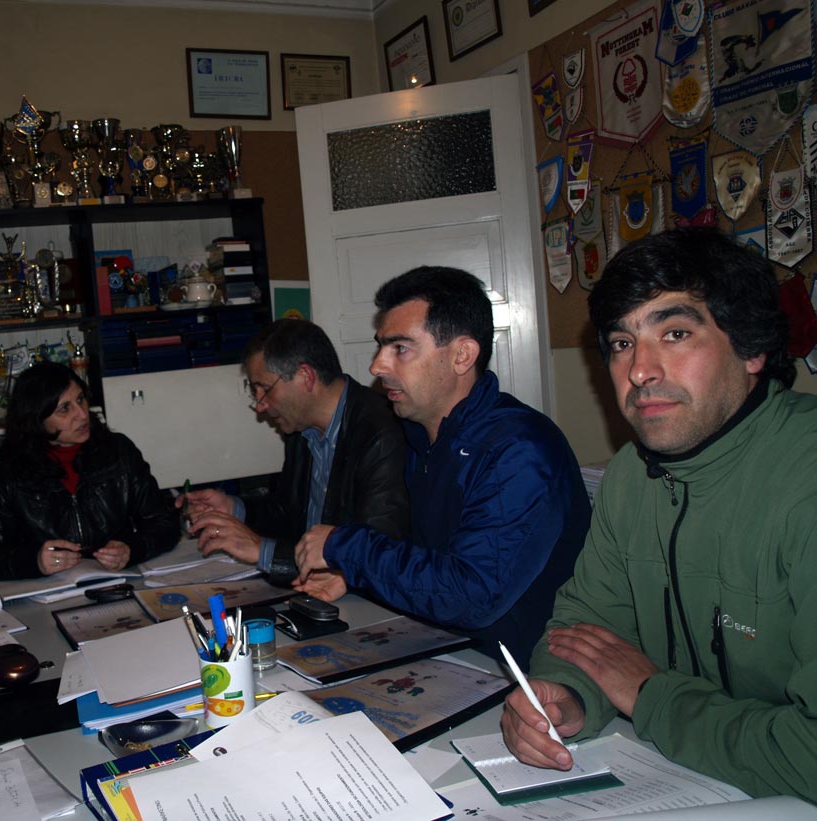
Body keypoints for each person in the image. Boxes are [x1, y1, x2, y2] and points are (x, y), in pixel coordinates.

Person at [500, 228, 817, 801]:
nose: (640, 370)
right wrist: (565, 694)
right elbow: (586, 625)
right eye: (622, 343)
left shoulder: (805, 479)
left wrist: (652, 697)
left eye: (675, 333)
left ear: (751, 348)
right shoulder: (630, 474)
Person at [293, 267, 591, 665]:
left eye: (400, 348)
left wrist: (344, 548)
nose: (377, 366)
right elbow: (427, 564)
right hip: (449, 654)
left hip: (527, 673)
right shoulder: (418, 439)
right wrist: (358, 576)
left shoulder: (520, 449)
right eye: (381, 347)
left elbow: (471, 595)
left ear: (462, 355)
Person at [180, 319, 410, 590]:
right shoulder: (300, 429)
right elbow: (288, 512)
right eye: (255, 391)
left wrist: (262, 551)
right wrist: (233, 508)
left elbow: (374, 557)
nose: (260, 405)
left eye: (265, 388)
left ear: (306, 377)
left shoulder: (381, 434)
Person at [0, 361, 179, 581]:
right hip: (48, 592)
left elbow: (166, 524)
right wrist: (33, 561)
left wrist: (132, 550)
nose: (82, 414)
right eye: (64, 409)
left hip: (119, 583)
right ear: (37, 419)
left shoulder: (118, 452)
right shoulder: (10, 471)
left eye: (81, 399)